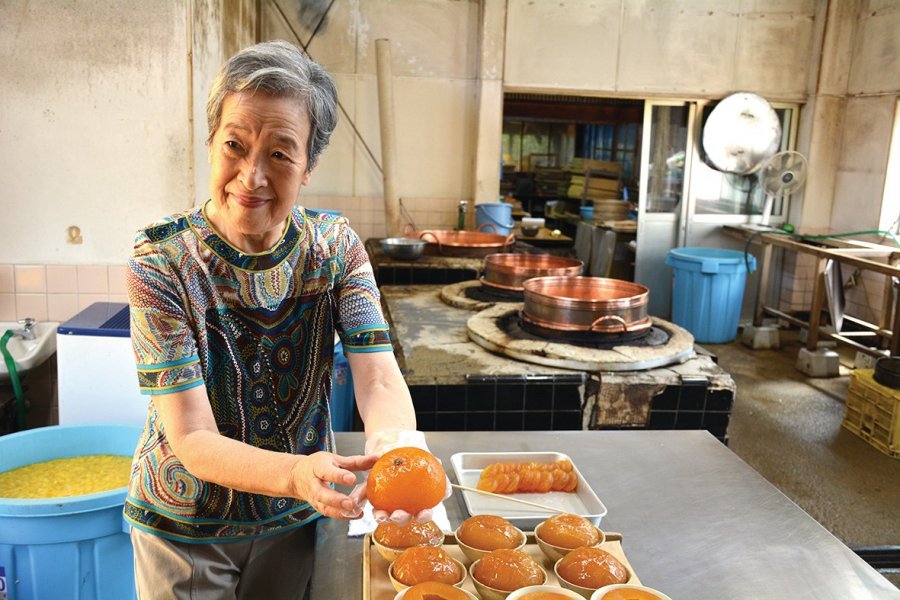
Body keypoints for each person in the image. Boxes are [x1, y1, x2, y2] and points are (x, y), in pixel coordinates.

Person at [124, 40, 441, 599]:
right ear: (211, 143)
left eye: (280, 153)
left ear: (309, 166)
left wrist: (396, 448)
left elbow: (378, 376)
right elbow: (193, 436)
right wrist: (294, 473)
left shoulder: (336, 248)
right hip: (188, 523)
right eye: (235, 145)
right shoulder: (161, 263)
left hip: (297, 516)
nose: (251, 176)